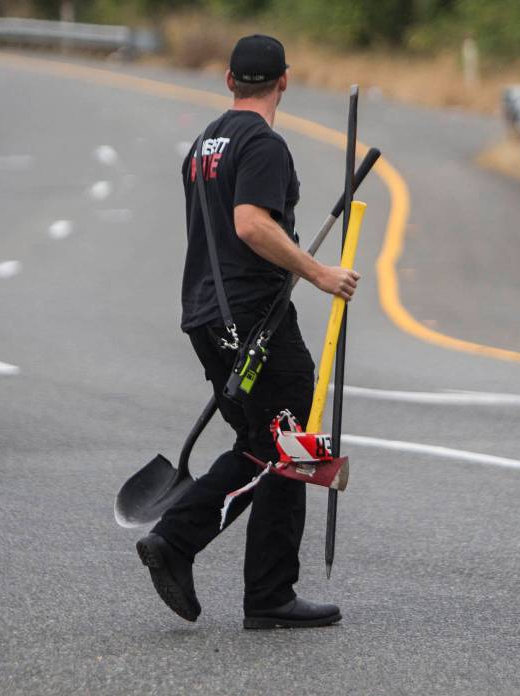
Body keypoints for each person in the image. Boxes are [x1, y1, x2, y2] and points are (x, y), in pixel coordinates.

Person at [136, 34, 360, 629]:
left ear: (230, 81)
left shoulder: (204, 143)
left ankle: (224, 568)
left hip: (206, 316)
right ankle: (247, 583)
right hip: (251, 318)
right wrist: (319, 274)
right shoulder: (263, 143)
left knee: (265, 444)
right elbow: (250, 225)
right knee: (286, 445)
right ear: (283, 80)